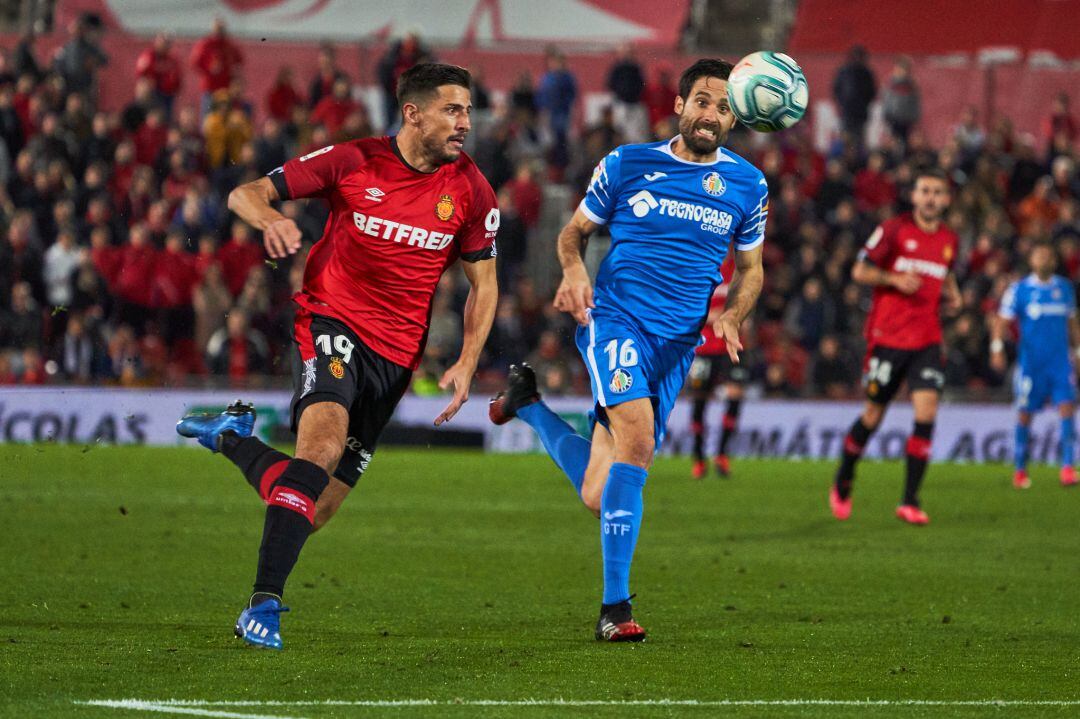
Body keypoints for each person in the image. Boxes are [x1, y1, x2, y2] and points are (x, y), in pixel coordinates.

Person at [176, 63, 499, 650]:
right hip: (332, 322)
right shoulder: (353, 161)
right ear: (413, 113)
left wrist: (468, 361)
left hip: (397, 359)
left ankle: (231, 438)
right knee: (319, 448)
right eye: (453, 110)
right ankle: (263, 605)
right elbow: (243, 193)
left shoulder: (471, 189)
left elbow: (486, 285)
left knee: (315, 507)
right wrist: (271, 217)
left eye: (469, 111)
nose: (465, 123)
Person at [489, 59, 768, 642]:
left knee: (599, 492)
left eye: (722, 107)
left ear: (735, 116)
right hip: (615, 322)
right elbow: (573, 233)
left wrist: (735, 314)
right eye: (702, 101)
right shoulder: (628, 163)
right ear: (679, 104)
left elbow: (751, 270)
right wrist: (571, 272)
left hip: (677, 346)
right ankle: (615, 610)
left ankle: (528, 403)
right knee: (636, 443)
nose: (710, 114)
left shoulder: (748, 184)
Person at [830, 168, 961, 526]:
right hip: (888, 338)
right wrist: (893, 278)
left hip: (928, 340)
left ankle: (910, 500)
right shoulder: (894, 230)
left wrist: (953, 293)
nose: (931, 198)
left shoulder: (950, 238)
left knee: (927, 413)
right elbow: (860, 271)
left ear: (946, 200)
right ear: (915, 196)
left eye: (938, 192)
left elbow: (944, 272)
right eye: (925, 191)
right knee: (873, 414)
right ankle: (844, 477)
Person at [991, 243, 1079, 489]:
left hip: (1060, 362)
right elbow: (1001, 321)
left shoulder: (1064, 288)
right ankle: (1020, 469)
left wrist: (1078, 351)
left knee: (1067, 409)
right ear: (1031, 261)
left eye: (1049, 256)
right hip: (1031, 364)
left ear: (1054, 261)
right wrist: (996, 348)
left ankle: (1068, 468)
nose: (1044, 259)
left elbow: (1072, 323)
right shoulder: (1019, 290)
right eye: (1039, 255)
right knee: (1025, 413)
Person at [688, 283, 748, 479]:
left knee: (735, 396)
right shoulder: (702, 265)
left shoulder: (740, 267)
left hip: (731, 344)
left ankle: (722, 454)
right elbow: (688, 306)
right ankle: (698, 457)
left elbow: (747, 300)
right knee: (699, 401)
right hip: (704, 348)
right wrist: (709, 315)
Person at [832, 46, 876, 143]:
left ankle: (857, 156)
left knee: (858, 139)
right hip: (847, 111)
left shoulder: (866, 73)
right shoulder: (844, 72)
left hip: (860, 112)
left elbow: (871, 92)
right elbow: (836, 89)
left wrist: (864, 104)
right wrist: (842, 103)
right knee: (846, 138)